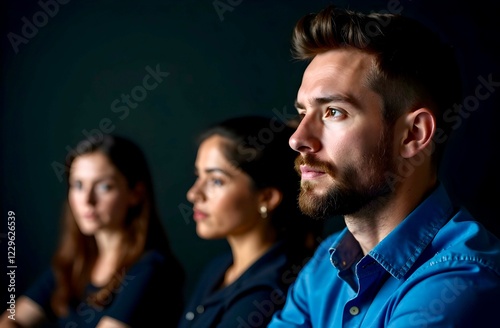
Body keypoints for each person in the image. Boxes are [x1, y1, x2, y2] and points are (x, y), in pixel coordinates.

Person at [268, 4, 500, 328]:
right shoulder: (325, 265)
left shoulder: (460, 281)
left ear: (413, 135)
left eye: (333, 111)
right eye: (302, 111)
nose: (297, 139)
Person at [0, 134, 185, 327]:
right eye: (78, 185)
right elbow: (11, 319)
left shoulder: (152, 269)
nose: (87, 200)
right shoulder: (76, 263)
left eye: (104, 186)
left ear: (135, 193)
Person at [178, 115, 323, 328]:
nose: (194, 194)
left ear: (266, 197)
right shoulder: (218, 268)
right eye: (198, 176)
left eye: (216, 181)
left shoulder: (269, 291)